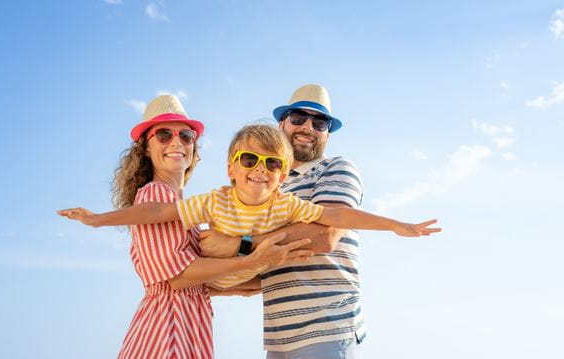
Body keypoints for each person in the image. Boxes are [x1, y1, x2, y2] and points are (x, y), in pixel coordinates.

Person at [64, 95, 314, 359]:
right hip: (166, 329)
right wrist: (251, 259)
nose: (176, 142)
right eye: (163, 135)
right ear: (145, 149)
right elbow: (177, 277)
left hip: (186, 324)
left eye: (185, 136)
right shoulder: (155, 195)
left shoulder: (181, 205)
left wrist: (247, 279)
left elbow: (195, 282)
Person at [199, 84, 434, 358]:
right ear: (281, 124)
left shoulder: (336, 168)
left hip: (328, 327)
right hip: (279, 338)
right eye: (299, 118)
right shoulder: (268, 189)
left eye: (320, 122)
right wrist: (199, 281)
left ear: (327, 133)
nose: (308, 127)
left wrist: (236, 245)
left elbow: (325, 236)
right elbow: (264, 272)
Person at [59, 124, 440, 290]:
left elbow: (337, 215)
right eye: (249, 160)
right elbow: (158, 213)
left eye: (272, 164)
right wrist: (99, 219)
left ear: (284, 174)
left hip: (243, 283)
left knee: (269, 261)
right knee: (208, 250)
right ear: (230, 169)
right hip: (210, 285)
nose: (260, 170)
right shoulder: (216, 201)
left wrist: (394, 225)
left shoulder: (286, 203)